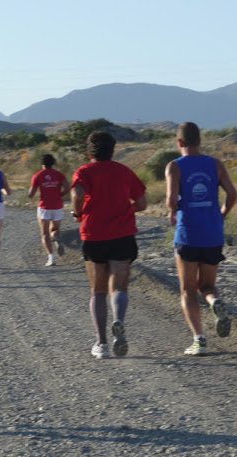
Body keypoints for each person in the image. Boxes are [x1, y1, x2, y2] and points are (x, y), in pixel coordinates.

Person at [71, 131, 147, 359]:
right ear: (113, 151)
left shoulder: (84, 171)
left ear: (89, 152)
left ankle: (101, 343)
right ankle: (118, 321)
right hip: (122, 234)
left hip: (94, 234)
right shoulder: (124, 171)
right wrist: (127, 209)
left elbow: (77, 192)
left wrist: (78, 212)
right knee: (119, 286)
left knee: (98, 290)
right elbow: (142, 203)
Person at [166, 121, 237, 356]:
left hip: (188, 235)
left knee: (187, 290)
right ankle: (214, 302)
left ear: (179, 142)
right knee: (207, 286)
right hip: (212, 235)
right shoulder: (215, 164)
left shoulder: (175, 166)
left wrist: (171, 211)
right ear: (199, 141)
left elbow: (171, 198)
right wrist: (221, 215)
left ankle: (199, 340)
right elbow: (232, 194)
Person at [28, 154, 69, 266]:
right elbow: (67, 187)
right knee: (55, 229)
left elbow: (31, 194)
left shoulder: (37, 175)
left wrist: (32, 192)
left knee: (45, 233)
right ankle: (56, 237)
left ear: (42, 164)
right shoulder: (59, 174)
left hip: (44, 207)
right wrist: (61, 195)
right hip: (58, 206)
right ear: (53, 163)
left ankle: (51, 258)